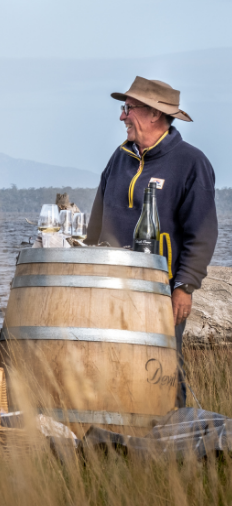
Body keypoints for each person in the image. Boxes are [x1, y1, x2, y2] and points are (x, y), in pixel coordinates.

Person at [86, 76, 218, 408]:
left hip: (161, 291)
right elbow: (96, 224)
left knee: (162, 370)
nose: (122, 116)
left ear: (154, 114)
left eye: (127, 109)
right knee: (110, 366)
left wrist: (185, 286)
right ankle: (119, 444)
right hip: (111, 288)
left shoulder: (192, 163)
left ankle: (178, 446)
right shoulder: (119, 158)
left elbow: (201, 232)